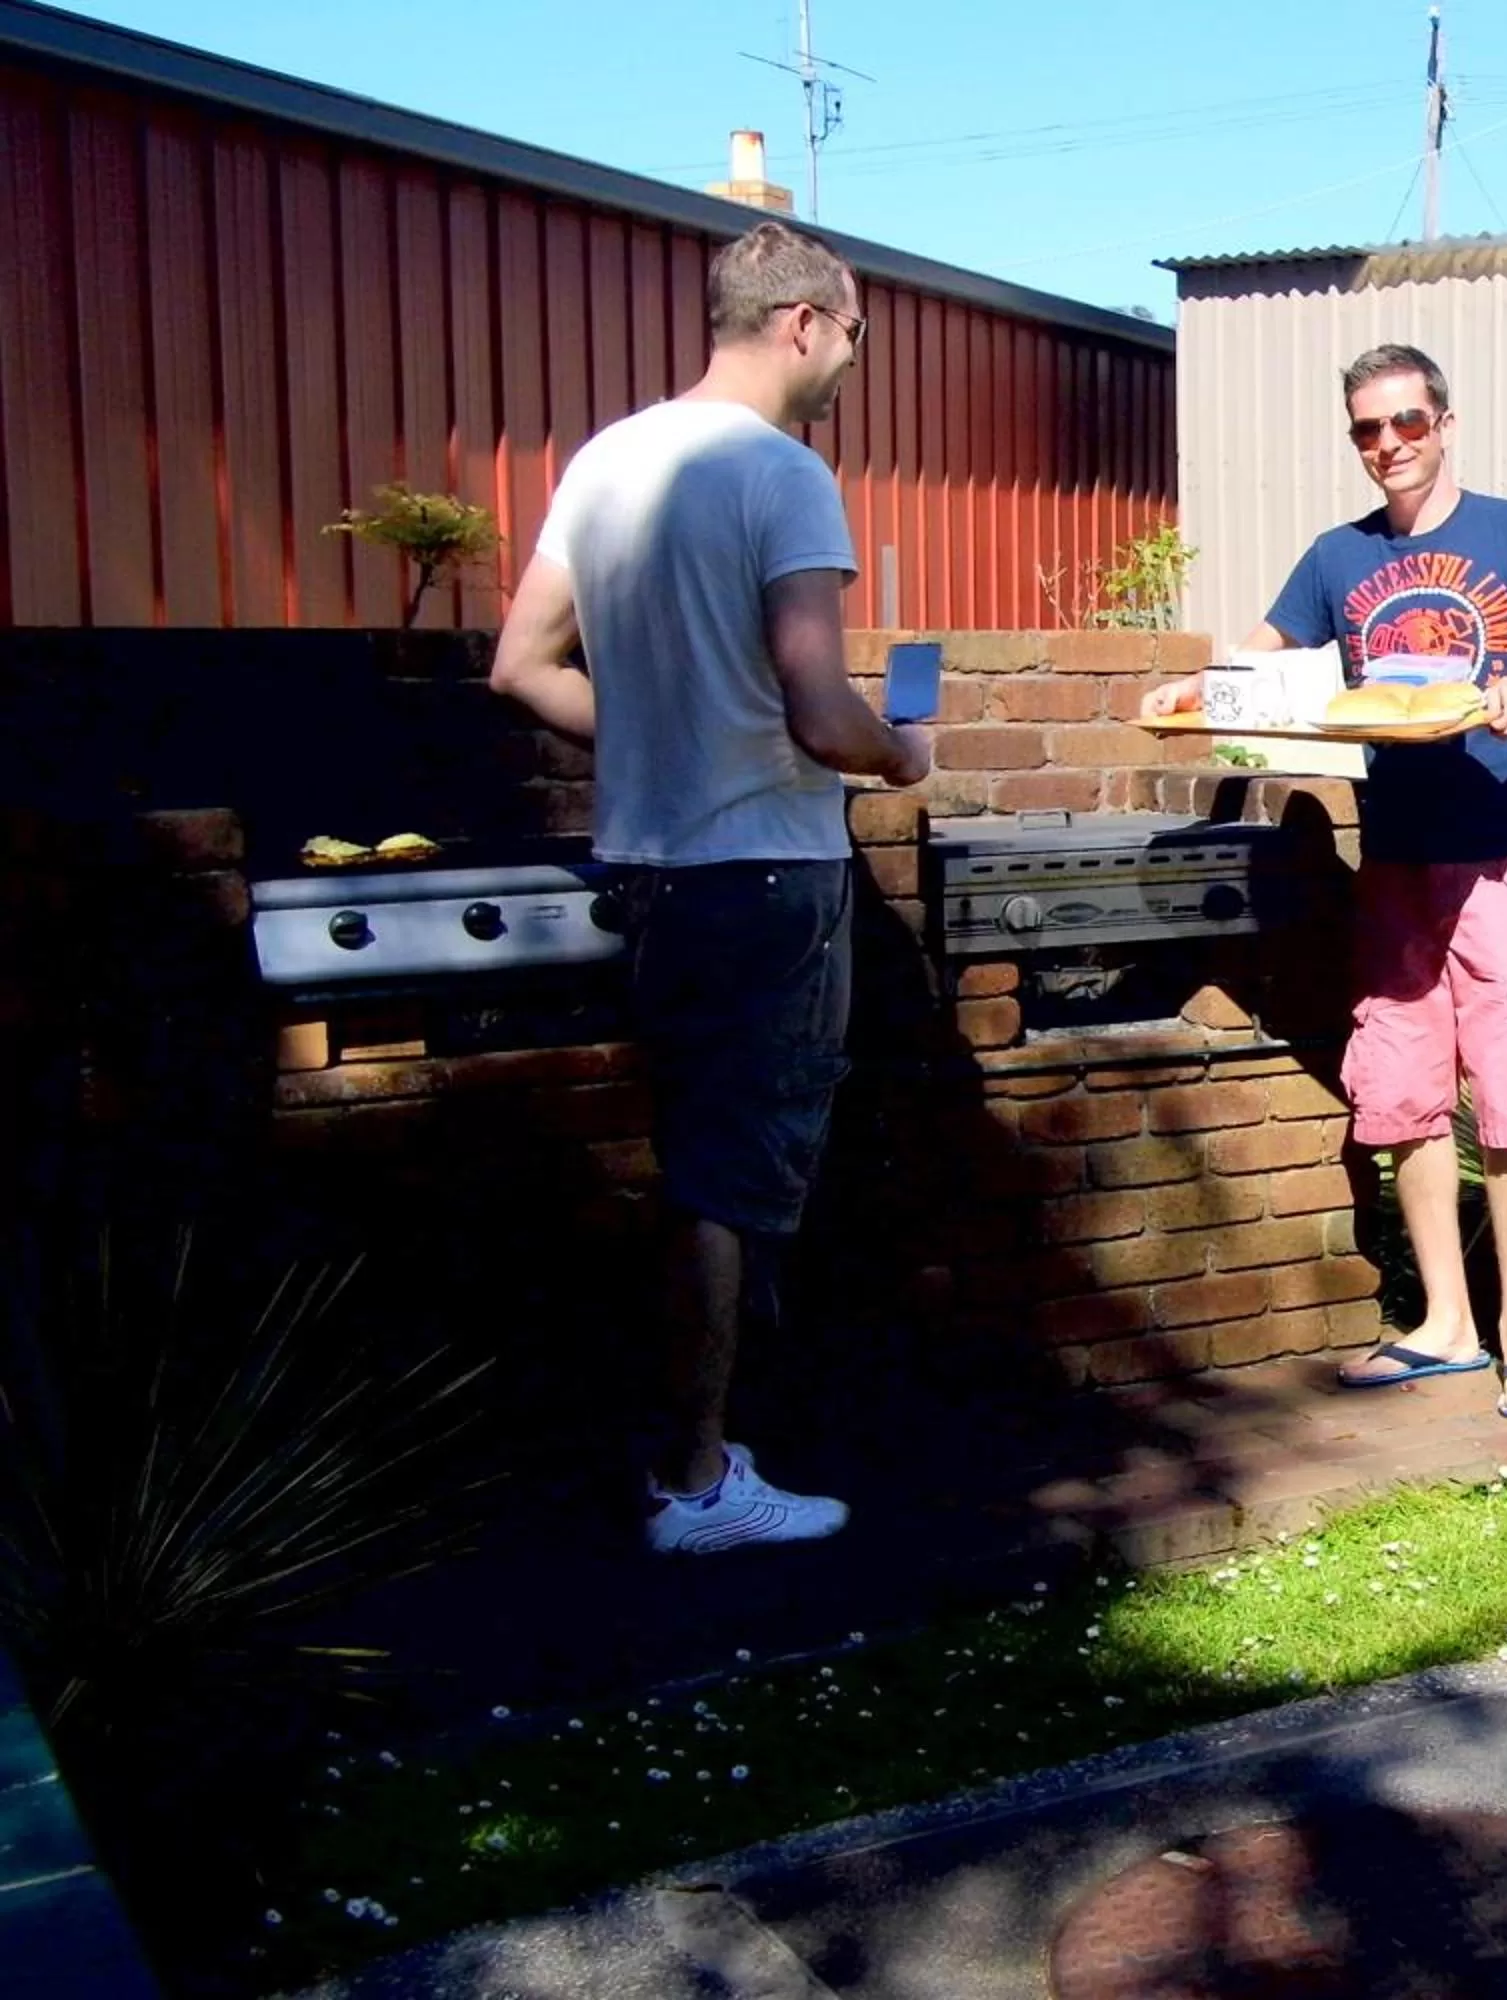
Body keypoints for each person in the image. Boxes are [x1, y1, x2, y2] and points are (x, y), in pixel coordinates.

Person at [492, 221, 930, 1554]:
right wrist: (900, 750)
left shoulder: (607, 463)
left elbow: (521, 664)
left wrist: (661, 738)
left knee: (700, 1169)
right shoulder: (781, 475)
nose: (853, 360)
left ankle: (708, 1447)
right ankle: (696, 1483)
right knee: (734, 1188)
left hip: (651, 876)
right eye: (853, 332)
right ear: (801, 321)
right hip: (767, 878)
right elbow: (818, 707)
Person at [1143, 344, 1507, 1418]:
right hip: (1397, 855)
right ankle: (1445, 1324)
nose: (1389, 445)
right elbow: (1262, 665)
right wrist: (1194, 686)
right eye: (1368, 429)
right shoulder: (1336, 557)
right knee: (1402, 1084)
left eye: (1407, 422)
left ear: (1445, 421)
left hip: (1504, 846)